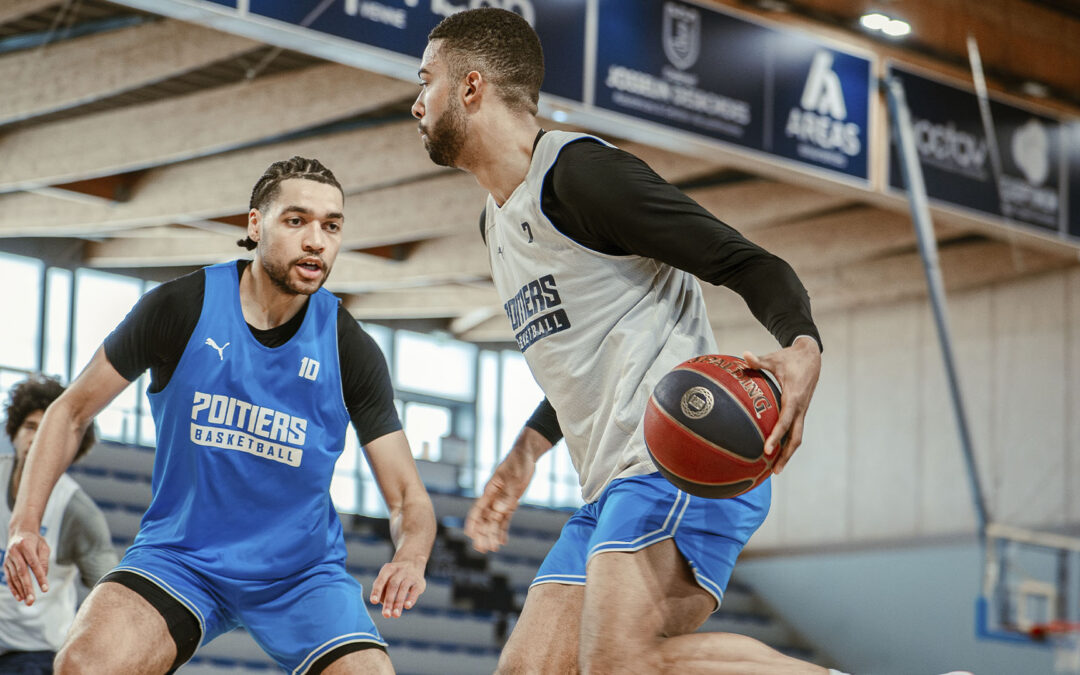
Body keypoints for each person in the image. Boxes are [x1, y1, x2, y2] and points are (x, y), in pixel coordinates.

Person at [413, 9, 835, 675]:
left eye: (425, 79)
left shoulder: (581, 176)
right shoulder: (493, 225)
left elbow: (749, 263)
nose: (416, 101)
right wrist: (523, 456)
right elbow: (586, 354)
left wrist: (803, 349)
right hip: (609, 485)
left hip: (681, 457)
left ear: (471, 87)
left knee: (618, 662)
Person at [4, 157, 437, 674]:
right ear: (255, 225)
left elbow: (409, 497)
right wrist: (25, 523)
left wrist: (410, 555)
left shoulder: (350, 348)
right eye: (296, 221)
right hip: (181, 558)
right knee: (85, 665)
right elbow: (70, 411)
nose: (317, 241)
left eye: (332, 225)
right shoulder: (179, 308)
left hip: (300, 576)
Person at [1, 375, 117, 674]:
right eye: (30, 427)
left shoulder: (78, 513)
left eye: (49, 432)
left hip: (32, 653)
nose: (38, 439)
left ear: (70, 449)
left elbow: (109, 593)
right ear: (12, 432)